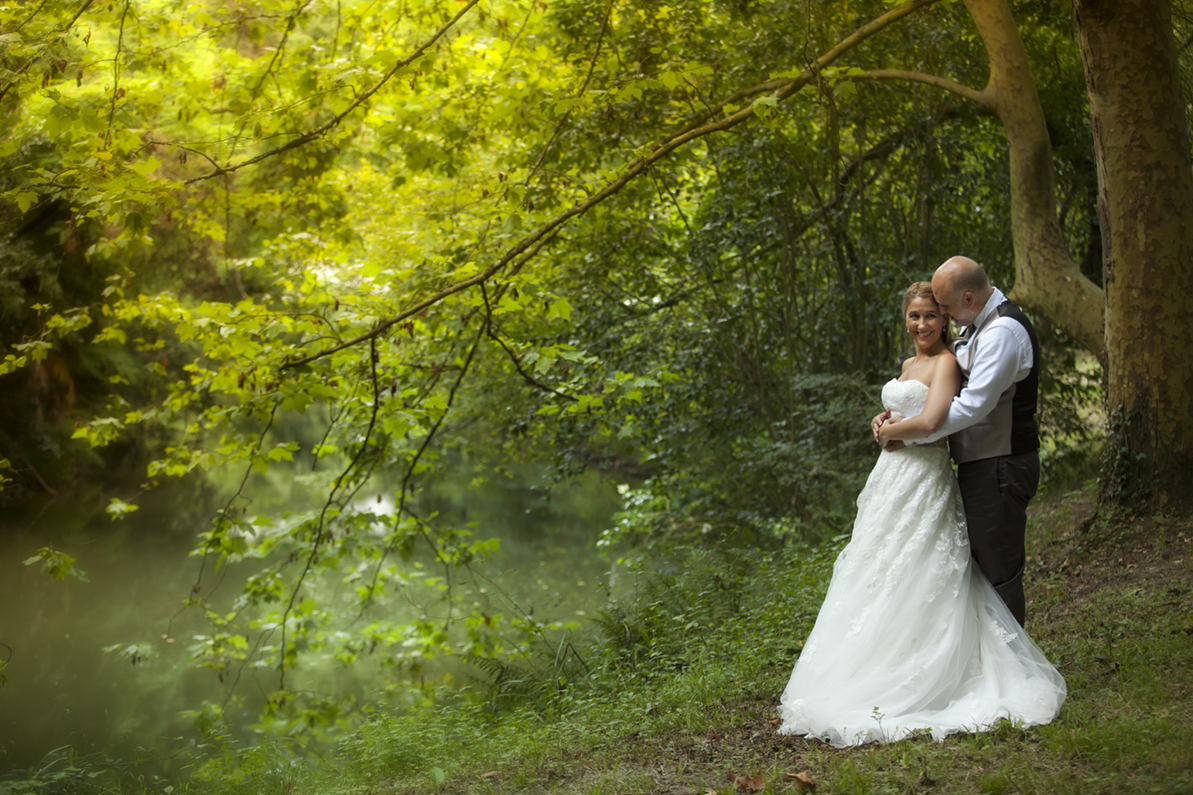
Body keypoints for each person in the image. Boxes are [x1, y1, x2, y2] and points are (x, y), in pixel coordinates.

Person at [777, 282, 1065, 748]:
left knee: (924, 567)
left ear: (946, 318)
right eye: (914, 316)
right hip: (891, 477)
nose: (923, 324)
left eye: (932, 315)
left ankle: (937, 668)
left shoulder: (949, 362)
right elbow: (906, 408)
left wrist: (894, 432)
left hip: (924, 476)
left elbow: (933, 422)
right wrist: (882, 421)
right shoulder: (910, 364)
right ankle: (872, 660)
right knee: (878, 567)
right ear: (905, 319)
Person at [875, 257, 1039, 626]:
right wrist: (895, 420)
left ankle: (1013, 668)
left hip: (1001, 462)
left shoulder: (1001, 332)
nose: (941, 316)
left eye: (943, 308)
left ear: (968, 298)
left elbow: (972, 406)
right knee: (980, 564)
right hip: (981, 463)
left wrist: (909, 436)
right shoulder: (979, 328)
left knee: (998, 572)